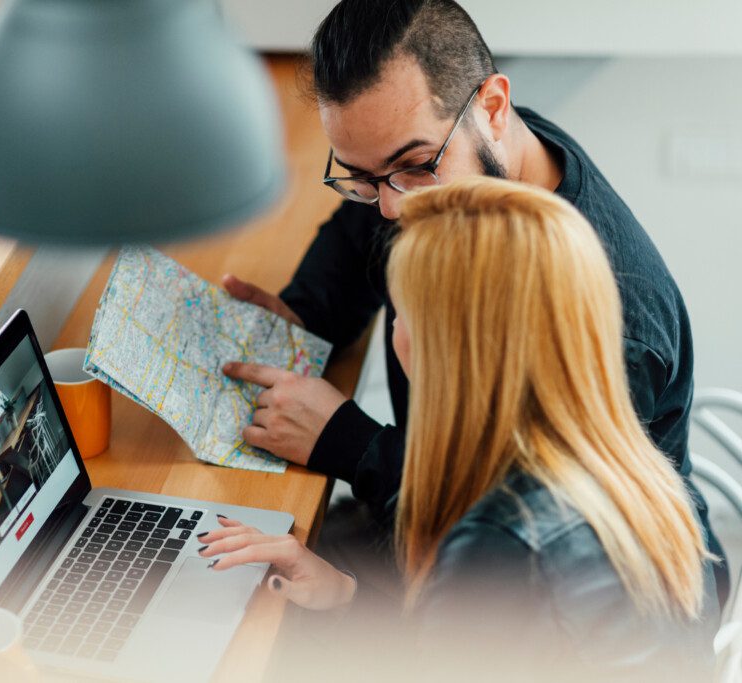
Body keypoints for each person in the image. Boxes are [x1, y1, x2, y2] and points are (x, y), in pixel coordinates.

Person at [219, 0, 728, 604]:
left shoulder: (611, 324)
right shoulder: (465, 160)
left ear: (492, 108)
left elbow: (509, 548)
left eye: (410, 168)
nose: (389, 208)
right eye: (360, 177)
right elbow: (366, 222)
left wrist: (349, 444)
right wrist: (305, 317)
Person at [207, 178, 720, 681]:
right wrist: (344, 596)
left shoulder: (498, 541)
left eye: (401, 308)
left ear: (448, 348)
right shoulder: (623, 461)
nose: (393, 329)